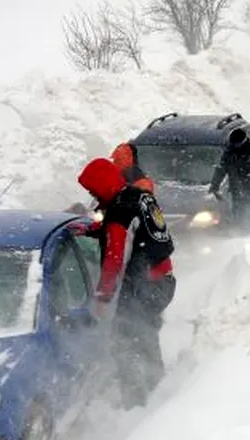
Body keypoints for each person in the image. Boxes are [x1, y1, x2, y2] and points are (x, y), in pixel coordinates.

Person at [76, 157, 176, 409]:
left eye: (93, 190)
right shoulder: (138, 196)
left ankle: (136, 405)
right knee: (146, 334)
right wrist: (96, 230)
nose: (93, 196)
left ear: (102, 185)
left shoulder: (120, 212)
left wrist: (103, 298)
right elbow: (134, 228)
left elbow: (114, 261)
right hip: (162, 280)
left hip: (145, 287)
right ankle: (158, 388)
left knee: (123, 341)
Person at [208, 127, 250, 233]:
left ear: (244, 141)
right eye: (233, 144)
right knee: (238, 222)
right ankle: (240, 238)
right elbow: (220, 170)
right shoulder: (229, 154)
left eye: (237, 144)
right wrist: (214, 186)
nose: (234, 146)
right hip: (237, 195)